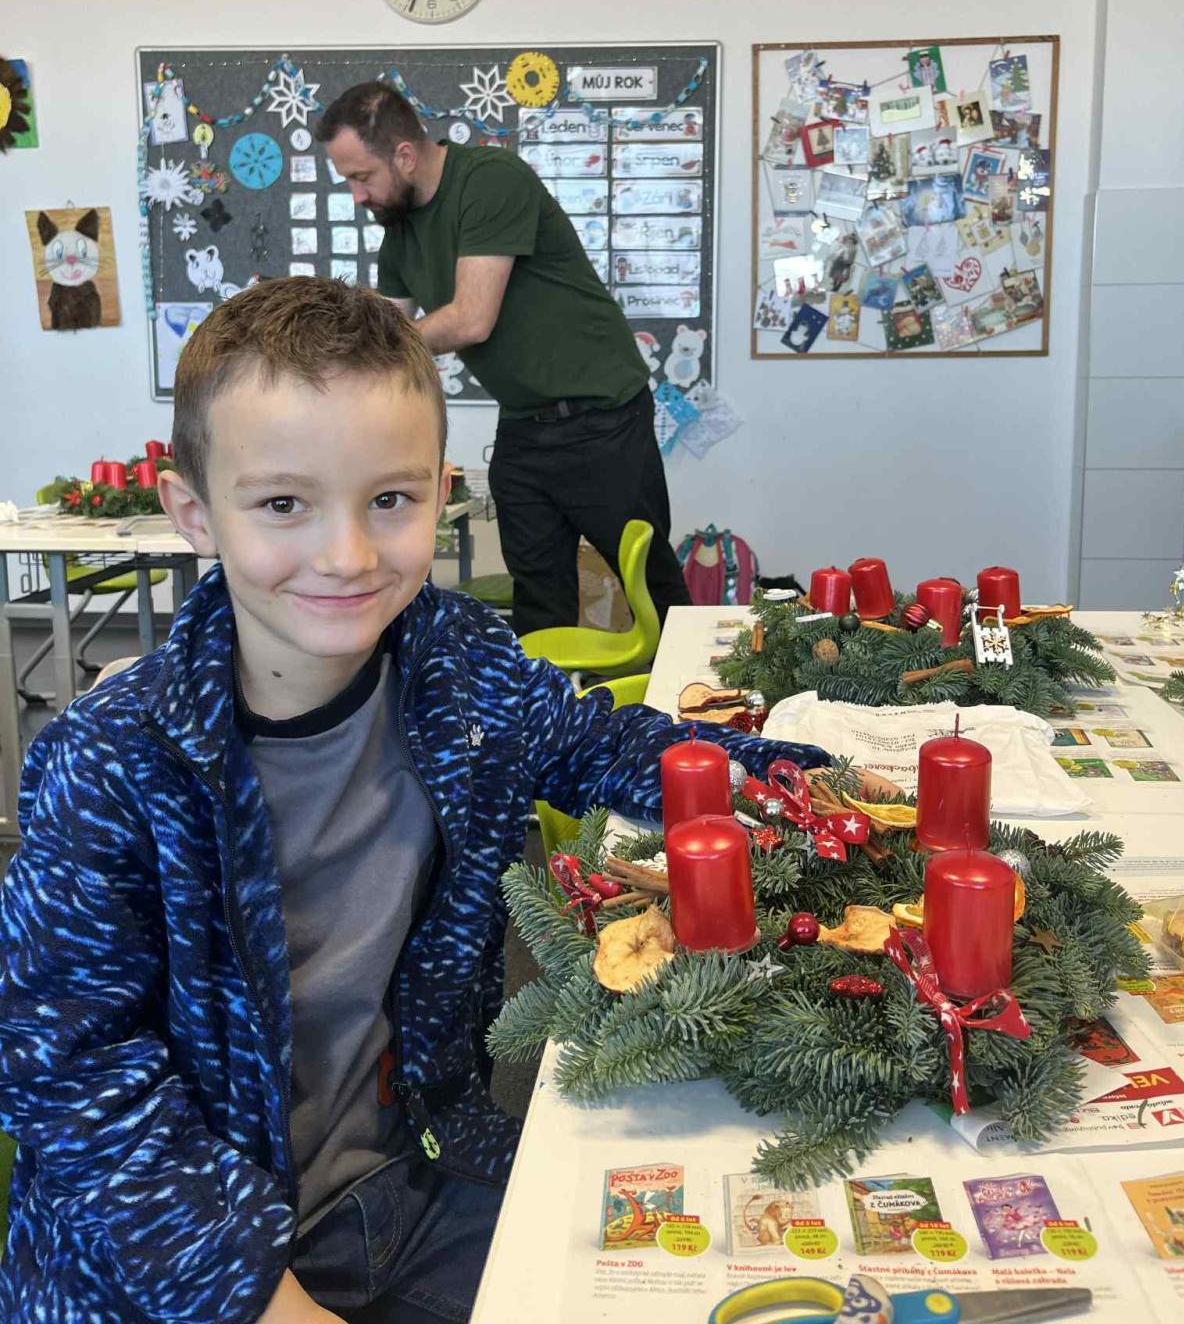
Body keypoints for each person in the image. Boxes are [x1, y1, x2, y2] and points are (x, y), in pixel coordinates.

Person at [0, 278, 836, 1324]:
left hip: (415, 1184)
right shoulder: (111, 761)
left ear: (441, 494)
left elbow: (601, 742)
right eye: (283, 505)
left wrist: (807, 786)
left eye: (389, 500)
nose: (347, 555)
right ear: (193, 514)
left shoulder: (459, 662)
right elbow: (71, 1076)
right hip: (190, 1272)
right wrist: (266, 1302)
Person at [315, 82, 691, 637]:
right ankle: (541, 696)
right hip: (523, 426)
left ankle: (692, 692)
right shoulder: (399, 236)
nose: (356, 195)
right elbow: (381, 339)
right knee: (538, 596)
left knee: (651, 584)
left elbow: (471, 319)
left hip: (603, 416)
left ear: (404, 155)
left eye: (361, 176)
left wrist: (382, 347)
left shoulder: (490, 180)